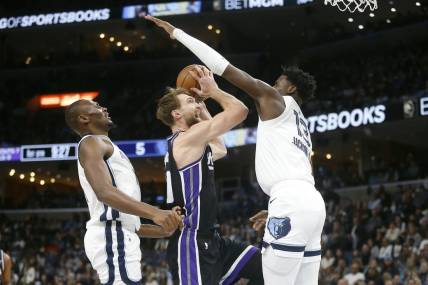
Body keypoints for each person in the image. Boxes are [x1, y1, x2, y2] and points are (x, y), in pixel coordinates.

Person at [146, 15, 325, 285]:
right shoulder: (299, 122)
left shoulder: (275, 99)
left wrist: (177, 34)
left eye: (276, 83)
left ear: (290, 88)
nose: (270, 87)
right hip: (309, 203)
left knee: (273, 279)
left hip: (282, 203)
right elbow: (220, 147)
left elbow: (227, 69)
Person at [156, 66, 263, 284]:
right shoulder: (186, 139)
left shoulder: (192, 144)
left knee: (264, 265)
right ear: (176, 114)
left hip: (211, 239)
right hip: (191, 241)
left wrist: (201, 108)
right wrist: (213, 90)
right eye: (189, 102)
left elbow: (220, 148)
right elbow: (240, 110)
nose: (195, 103)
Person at [65, 99, 182, 284]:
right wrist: (155, 212)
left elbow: (129, 224)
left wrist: (162, 231)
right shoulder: (91, 143)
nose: (103, 107)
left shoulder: (109, 147)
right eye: (95, 105)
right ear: (84, 118)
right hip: (112, 237)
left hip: (118, 237)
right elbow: (104, 192)